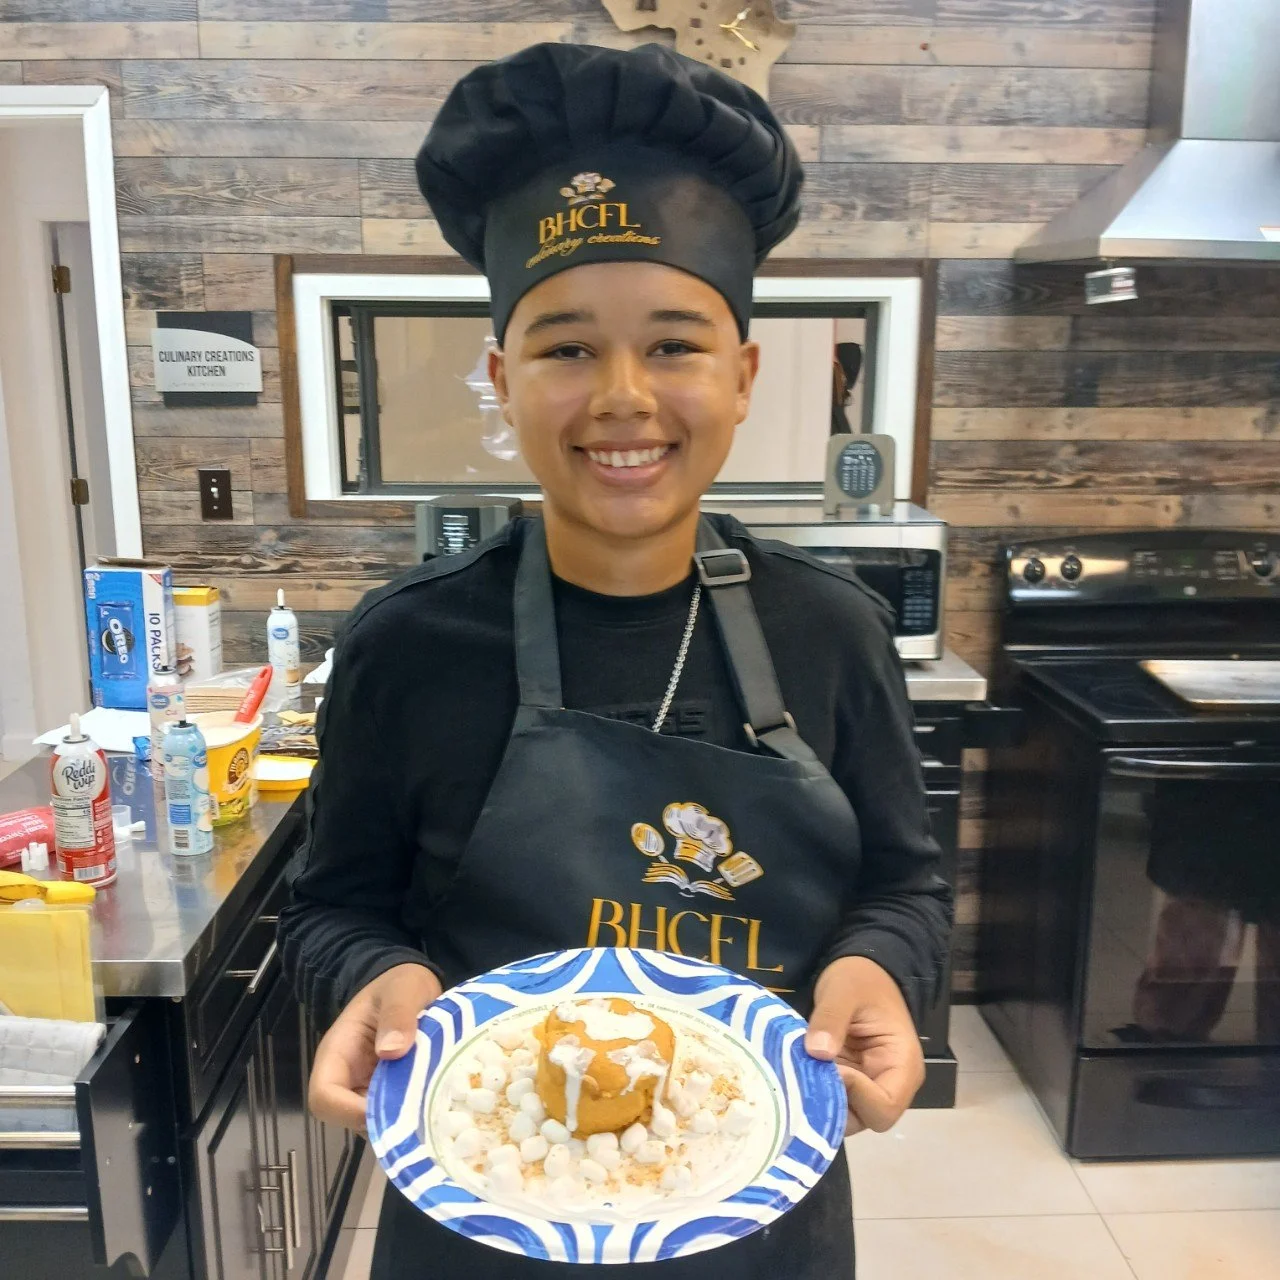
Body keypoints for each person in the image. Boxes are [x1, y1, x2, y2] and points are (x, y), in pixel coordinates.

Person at [279, 41, 953, 1279]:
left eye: (677, 345)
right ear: (502, 379)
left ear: (743, 376)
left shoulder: (831, 629)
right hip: (482, 1206)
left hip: (755, 1213)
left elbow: (903, 886)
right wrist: (375, 974)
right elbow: (332, 904)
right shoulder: (409, 644)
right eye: (567, 347)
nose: (624, 395)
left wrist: (873, 964)